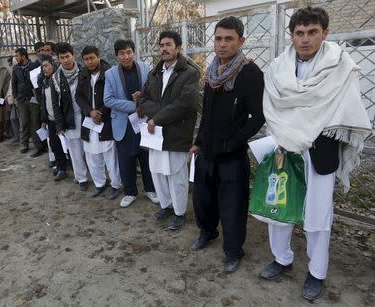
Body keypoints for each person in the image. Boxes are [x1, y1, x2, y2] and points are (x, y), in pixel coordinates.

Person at [261, 6, 372, 301]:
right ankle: (282, 259)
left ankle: (317, 272)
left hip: (320, 150)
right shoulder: (277, 69)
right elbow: (271, 109)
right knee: (278, 207)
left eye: (312, 32)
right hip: (285, 147)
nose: (306, 39)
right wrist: (291, 133)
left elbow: (344, 112)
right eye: (300, 33)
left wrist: (308, 127)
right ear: (291, 35)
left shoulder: (341, 67)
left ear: (325, 33)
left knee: (318, 215)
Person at [189, 17, 265, 273]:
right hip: (208, 151)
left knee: (232, 206)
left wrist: (233, 142)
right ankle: (207, 232)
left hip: (232, 155)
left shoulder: (249, 73)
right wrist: (199, 142)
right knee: (203, 197)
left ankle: (233, 251)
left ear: (240, 41)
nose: (222, 44)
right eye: (218, 38)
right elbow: (207, 112)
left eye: (228, 39)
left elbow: (258, 117)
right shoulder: (212, 71)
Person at [139, 31, 200, 230]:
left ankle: (179, 212)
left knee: (176, 175)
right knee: (157, 171)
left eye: (168, 45)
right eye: (161, 45)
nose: (163, 48)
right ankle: (166, 206)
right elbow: (143, 99)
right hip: (155, 134)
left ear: (178, 48)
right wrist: (158, 116)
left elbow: (186, 104)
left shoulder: (189, 73)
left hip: (177, 132)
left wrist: (157, 117)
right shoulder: (155, 73)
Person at [104, 39, 158, 208]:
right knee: (126, 159)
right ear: (117, 56)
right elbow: (108, 100)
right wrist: (134, 105)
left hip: (144, 121)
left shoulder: (146, 68)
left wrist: (143, 97)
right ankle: (130, 192)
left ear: (134, 52)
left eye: (129, 52)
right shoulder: (110, 74)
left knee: (146, 155)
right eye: (121, 53)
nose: (126, 56)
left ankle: (150, 189)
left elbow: (154, 92)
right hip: (123, 123)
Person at [76, 46, 121, 198]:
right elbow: (79, 97)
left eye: (92, 58)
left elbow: (114, 96)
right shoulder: (82, 74)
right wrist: (90, 112)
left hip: (106, 120)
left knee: (110, 156)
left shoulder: (110, 73)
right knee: (91, 155)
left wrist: (100, 112)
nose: (89, 62)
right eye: (86, 59)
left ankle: (115, 185)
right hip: (89, 121)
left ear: (99, 56)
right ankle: (99, 183)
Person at [52, 42, 89, 191]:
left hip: (86, 117)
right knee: (75, 150)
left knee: (90, 149)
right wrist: (59, 126)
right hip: (69, 119)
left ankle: (97, 176)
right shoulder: (55, 78)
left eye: (68, 56)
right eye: (62, 57)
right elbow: (55, 104)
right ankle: (82, 178)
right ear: (58, 59)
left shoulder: (84, 71)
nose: (66, 60)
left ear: (73, 55)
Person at [39, 55, 68, 181]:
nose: (44, 69)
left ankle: (64, 167)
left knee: (66, 145)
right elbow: (44, 103)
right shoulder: (45, 82)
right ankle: (60, 166)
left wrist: (60, 122)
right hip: (50, 120)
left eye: (46, 66)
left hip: (60, 120)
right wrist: (44, 119)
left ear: (53, 65)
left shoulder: (58, 81)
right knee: (54, 144)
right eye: (42, 67)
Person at [11, 48, 43, 156]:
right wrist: (16, 97)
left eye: (17, 56)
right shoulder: (15, 68)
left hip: (33, 99)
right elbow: (14, 84)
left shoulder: (34, 66)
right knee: (23, 122)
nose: (16, 58)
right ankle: (24, 143)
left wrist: (37, 96)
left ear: (23, 56)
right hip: (21, 100)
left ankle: (39, 144)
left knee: (35, 122)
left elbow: (38, 82)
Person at [6, 56, 20, 142]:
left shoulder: (18, 72)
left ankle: (21, 137)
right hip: (13, 100)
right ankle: (18, 136)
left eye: (11, 65)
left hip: (19, 99)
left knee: (19, 119)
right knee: (13, 118)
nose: (10, 67)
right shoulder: (12, 74)